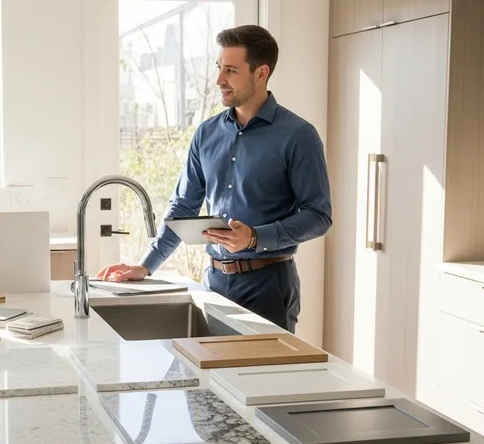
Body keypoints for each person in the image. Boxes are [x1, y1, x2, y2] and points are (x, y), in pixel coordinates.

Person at [97, 25, 332, 333]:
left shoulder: (298, 136)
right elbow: (184, 205)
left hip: (269, 285)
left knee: (260, 379)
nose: (220, 79)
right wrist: (147, 265)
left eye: (231, 71)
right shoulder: (207, 132)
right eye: (220, 68)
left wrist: (255, 237)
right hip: (214, 283)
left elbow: (319, 216)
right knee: (208, 379)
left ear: (261, 73)